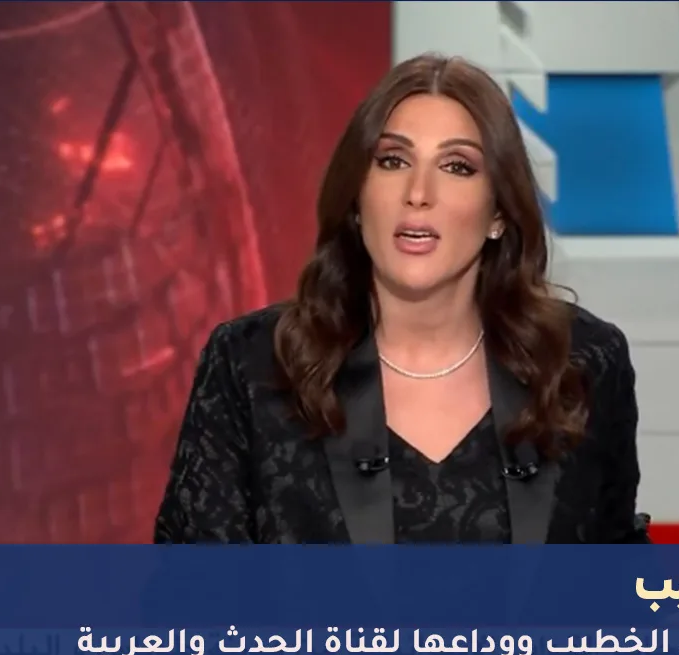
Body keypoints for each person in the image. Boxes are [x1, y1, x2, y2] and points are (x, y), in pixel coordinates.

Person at [153, 53, 646, 544]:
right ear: (357, 198)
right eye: (393, 161)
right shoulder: (251, 364)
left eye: (457, 166)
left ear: (498, 213)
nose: (418, 192)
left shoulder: (582, 364)